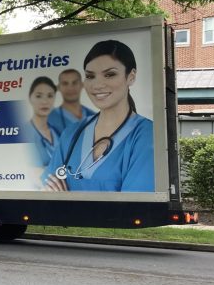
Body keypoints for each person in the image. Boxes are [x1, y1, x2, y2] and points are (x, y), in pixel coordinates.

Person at [43, 40, 154, 192]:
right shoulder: (72, 133)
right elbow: (47, 191)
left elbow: (134, 205)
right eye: (90, 76)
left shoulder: (146, 135)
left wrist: (65, 202)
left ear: (131, 76)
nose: (97, 85)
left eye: (109, 74)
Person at [47, 69, 95, 135]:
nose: (70, 88)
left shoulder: (94, 116)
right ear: (58, 87)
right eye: (65, 83)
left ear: (82, 85)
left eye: (74, 83)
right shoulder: (49, 119)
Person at [26, 77, 60, 167]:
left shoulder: (57, 132)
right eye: (38, 96)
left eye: (50, 96)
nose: (45, 101)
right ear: (30, 98)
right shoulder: (25, 132)